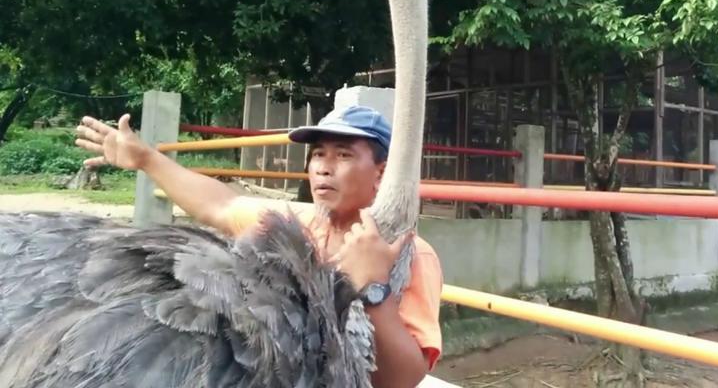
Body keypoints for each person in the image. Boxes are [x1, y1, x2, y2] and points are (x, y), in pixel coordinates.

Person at [75, 105, 443, 388]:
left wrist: (373, 291)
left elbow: (403, 379)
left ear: (381, 172)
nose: (323, 168)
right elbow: (219, 205)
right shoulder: (299, 229)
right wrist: (146, 159)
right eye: (318, 154)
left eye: (343, 155)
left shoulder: (409, 254)